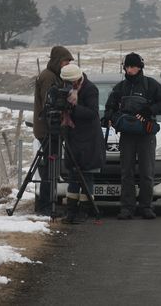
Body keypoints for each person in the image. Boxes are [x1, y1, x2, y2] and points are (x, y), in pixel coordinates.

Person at [104, 52, 161, 220]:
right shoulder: (120, 88)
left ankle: (146, 207)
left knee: (146, 172)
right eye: (127, 66)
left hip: (146, 135)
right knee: (126, 172)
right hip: (127, 136)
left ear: (140, 67)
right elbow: (109, 108)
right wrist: (114, 119)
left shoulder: (151, 85)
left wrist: (149, 110)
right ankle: (127, 208)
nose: (130, 70)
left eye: (133, 66)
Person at [59, 63, 105, 224]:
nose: (69, 85)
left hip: (88, 138)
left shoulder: (90, 89)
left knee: (86, 176)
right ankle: (71, 212)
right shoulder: (65, 88)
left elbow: (93, 113)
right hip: (73, 137)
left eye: (71, 81)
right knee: (72, 175)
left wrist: (73, 108)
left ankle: (84, 212)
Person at [33, 45, 74, 215]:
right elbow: (48, 106)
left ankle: (48, 204)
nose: (67, 65)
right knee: (49, 170)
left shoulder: (55, 76)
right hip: (48, 130)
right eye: (65, 61)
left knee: (52, 168)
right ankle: (45, 206)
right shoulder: (48, 78)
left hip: (52, 129)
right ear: (57, 61)